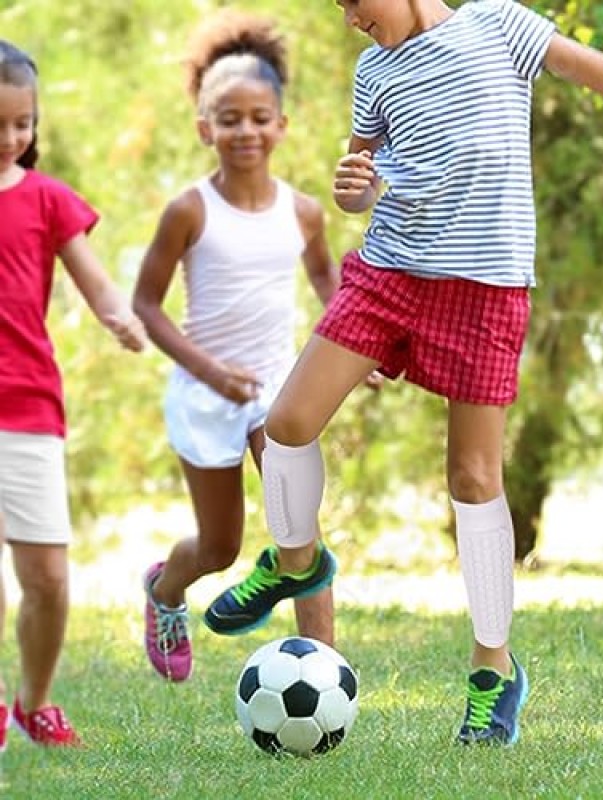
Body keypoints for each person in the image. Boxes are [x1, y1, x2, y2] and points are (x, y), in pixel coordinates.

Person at [208, 0, 603, 745]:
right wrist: (353, 189)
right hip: (391, 272)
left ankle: (494, 671)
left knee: (475, 479)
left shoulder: (501, 27)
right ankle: (296, 561)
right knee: (287, 425)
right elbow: (358, 179)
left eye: (354, 0)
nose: (350, 16)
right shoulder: (375, 69)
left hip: (485, 289)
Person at [132, 10, 345, 683]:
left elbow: (325, 280)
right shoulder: (189, 211)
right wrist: (210, 370)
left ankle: (326, 668)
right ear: (205, 128)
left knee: (297, 531)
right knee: (221, 547)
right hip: (204, 393)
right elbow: (146, 305)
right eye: (229, 118)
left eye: (259, 117)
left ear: (282, 125)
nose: (245, 131)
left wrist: (353, 347)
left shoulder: (304, 212)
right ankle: (166, 590)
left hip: (278, 392)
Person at [0, 40, 147, 748]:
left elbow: (92, 279)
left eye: (21, 124)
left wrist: (119, 316)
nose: (9, 138)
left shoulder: (47, 198)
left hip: (29, 403)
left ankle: (37, 700)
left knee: (49, 580)